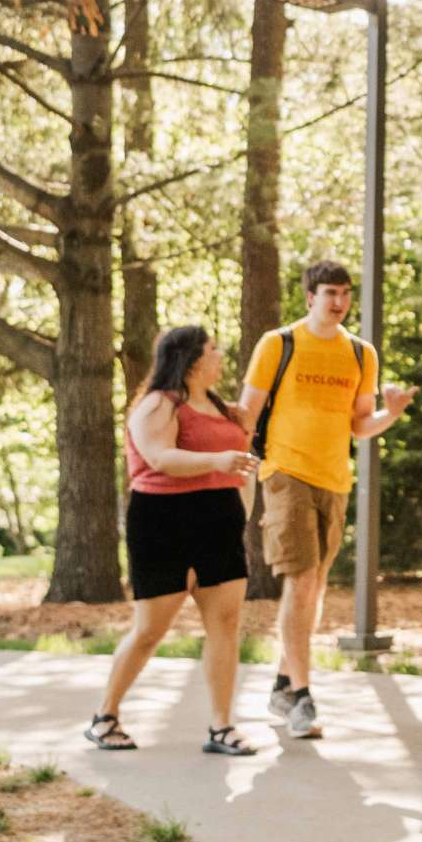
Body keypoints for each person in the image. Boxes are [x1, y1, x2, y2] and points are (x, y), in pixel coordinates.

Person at [233, 260, 416, 740]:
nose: (338, 302)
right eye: (329, 292)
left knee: (313, 590)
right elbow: (247, 413)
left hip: (335, 480)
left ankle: (282, 681)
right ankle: (302, 696)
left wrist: (390, 413)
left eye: (344, 293)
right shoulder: (279, 343)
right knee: (302, 579)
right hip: (284, 472)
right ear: (309, 296)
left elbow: (360, 426)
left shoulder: (361, 353)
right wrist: (232, 469)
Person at [86, 324, 261, 756]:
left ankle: (222, 726)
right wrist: (217, 460)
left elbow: (244, 466)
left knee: (225, 625)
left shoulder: (225, 409)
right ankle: (105, 717)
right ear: (192, 358)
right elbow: (160, 458)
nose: (220, 356)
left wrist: (242, 514)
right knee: (150, 629)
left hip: (219, 519)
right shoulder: (156, 406)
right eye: (214, 350)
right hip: (163, 521)